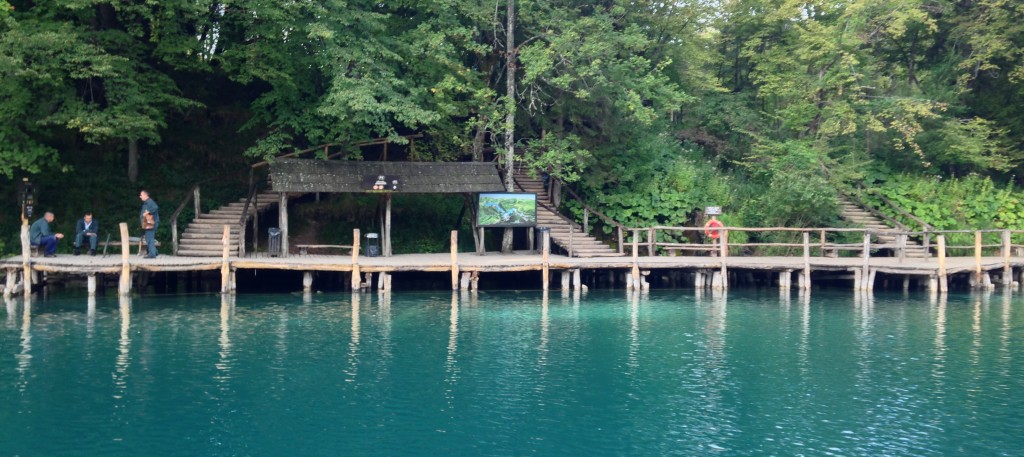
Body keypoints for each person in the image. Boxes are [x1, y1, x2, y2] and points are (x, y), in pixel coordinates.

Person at [139, 190, 159, 258]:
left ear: (145, 195)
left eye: (141, 195)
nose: (140, 196)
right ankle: (155, 252)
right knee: (148, 238)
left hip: (151, 224)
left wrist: (148, 212)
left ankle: (152, 254)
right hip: (148, 224)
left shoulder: (149, 201)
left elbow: (155, 207)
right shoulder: (146, 203)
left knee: (149, 238)